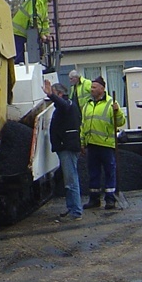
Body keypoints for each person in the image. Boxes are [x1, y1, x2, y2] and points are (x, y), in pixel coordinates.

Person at [80, 76, 126, 209]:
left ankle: (110, 199)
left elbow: (121, 122)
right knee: (93, 173)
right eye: (91, 87)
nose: (91, 89)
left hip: (106, 145)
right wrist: (82, 142)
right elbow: (83, 125)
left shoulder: (111, 103)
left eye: (94, 87)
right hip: (92, 145)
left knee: (109, 172)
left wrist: (117, 111)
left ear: (102, 88)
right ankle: (94, 199)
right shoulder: (87, 105)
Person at [43, 79, 82, 220]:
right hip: (65, 146)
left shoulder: (67, 104)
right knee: (69, 179)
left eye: (53, 94)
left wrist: (51, 95)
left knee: (71, 180)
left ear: (59, 94)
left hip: (68, 147)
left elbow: (63, 106)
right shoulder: (66, 106)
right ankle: (72, 208)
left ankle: (76, 211)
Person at [12, 0, 52, 64]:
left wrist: (46, 34)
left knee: (25, 56)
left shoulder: (43, 3)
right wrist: (42, 35)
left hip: (24, 32)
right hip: (19, 31)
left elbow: (44, 21)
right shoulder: (37, 0)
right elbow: (34, 19)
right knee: (20, 58)